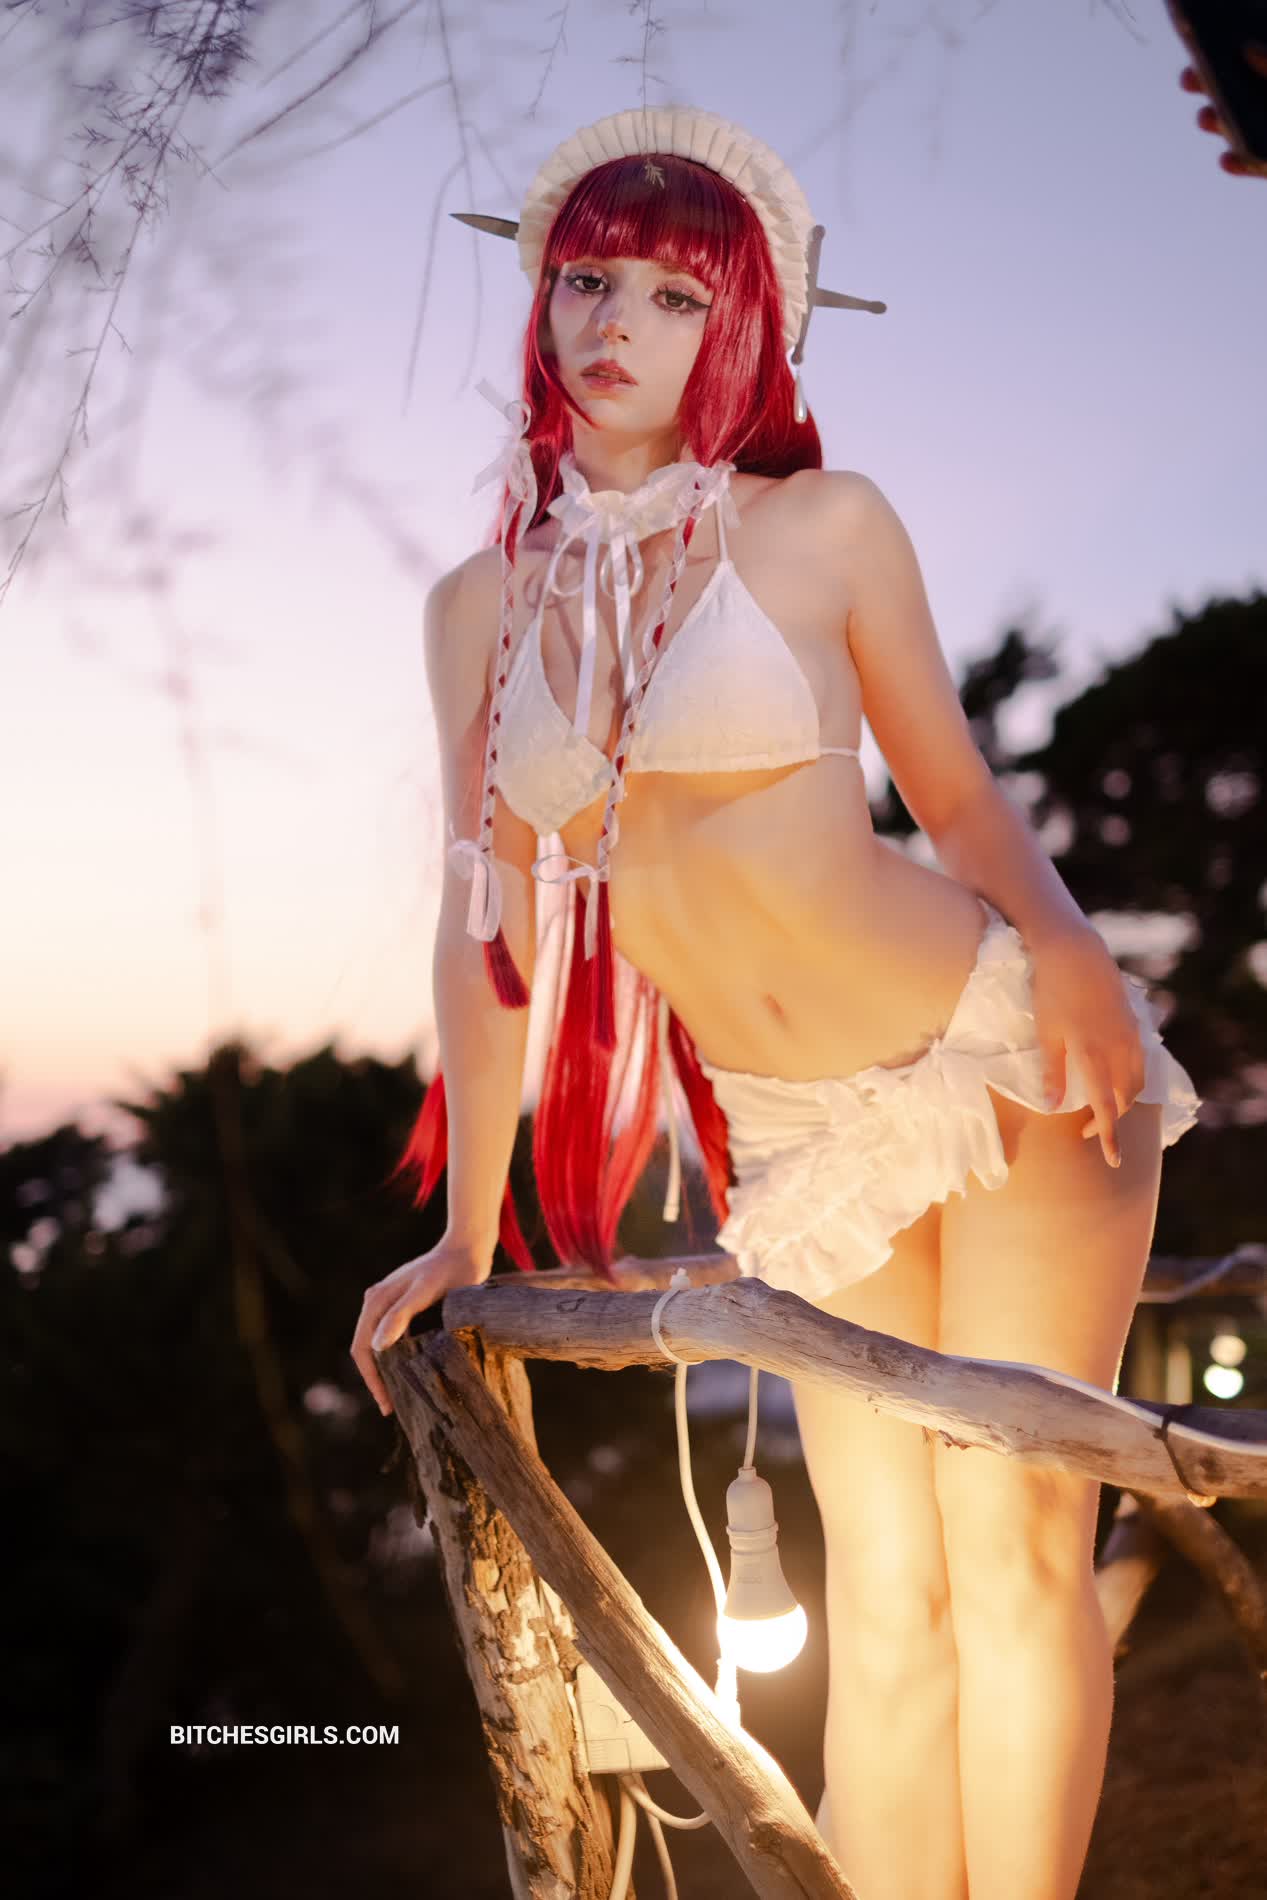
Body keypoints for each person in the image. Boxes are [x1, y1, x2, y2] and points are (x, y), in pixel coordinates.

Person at [351, 108, 1201, 1900]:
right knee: (882, 1597)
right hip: (796, 1130)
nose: (619, 323)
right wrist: (468, 1228)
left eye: (675, 294)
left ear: (741, 323)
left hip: (991, 1053)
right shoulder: (478, 606)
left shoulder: (820, 525)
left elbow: (954, 796)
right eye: (589, 279)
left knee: (1012, 1544)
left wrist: (1066, 953)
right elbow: (488, 933)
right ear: (542, 297)